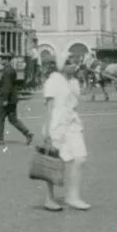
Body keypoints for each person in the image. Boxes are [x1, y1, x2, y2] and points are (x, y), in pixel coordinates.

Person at [40, 60, 89, 211]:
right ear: (62, 65)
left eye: (74, 62)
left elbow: (75, 102)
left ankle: (73, 197)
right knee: (54, 161)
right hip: (57, 124)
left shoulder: (74, 81)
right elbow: (49, 106)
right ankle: (49, 198)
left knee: (80, 158)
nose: (74, 65)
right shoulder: (53, 81)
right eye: (69, 62)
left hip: (72, 122)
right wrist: (47, 130)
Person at [0, 54, 33, 146]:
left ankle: (0, 140)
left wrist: (4, 99)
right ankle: (27, 133)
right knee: (13, 119)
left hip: (7, 99)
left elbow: (7, 86)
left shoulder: (7, 71)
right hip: (13, 99)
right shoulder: (11, 69)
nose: (0, 60)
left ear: (7, 60)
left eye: (2, 59)